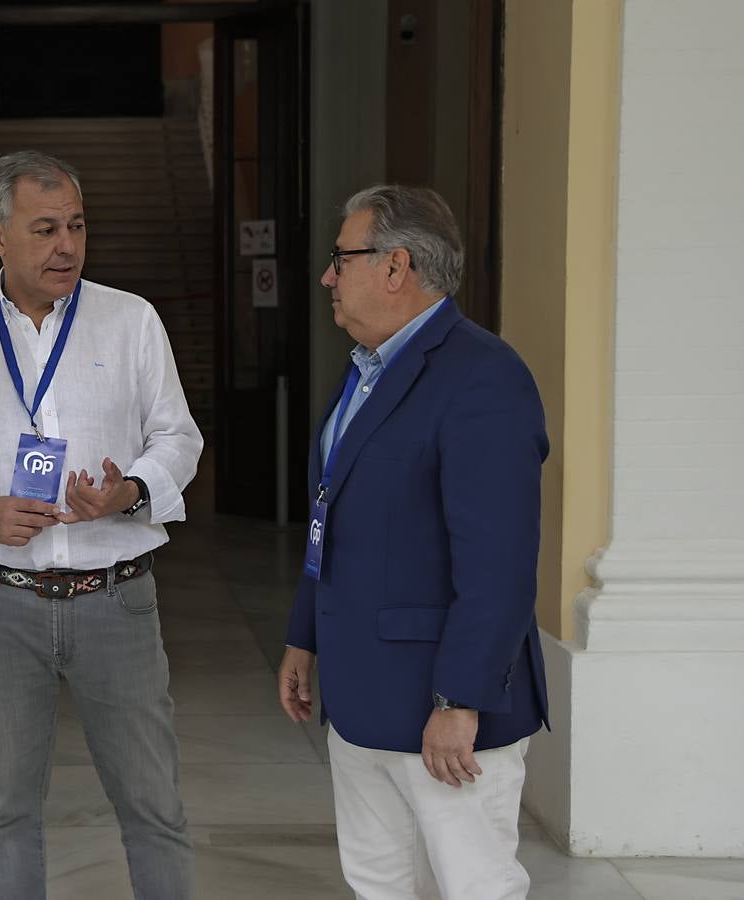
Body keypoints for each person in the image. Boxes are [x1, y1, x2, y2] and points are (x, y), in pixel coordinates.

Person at [0, 150, 202, 900]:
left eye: (75, 225)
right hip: (0, 604)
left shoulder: (131, 321)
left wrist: (128, 491)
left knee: (152, 804)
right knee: (6, 810)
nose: (66, 245)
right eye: (44, 229)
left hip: (116, 599)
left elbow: (179, 438)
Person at [278, 184, 550, 899]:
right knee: (378, 881)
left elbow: (499, 563)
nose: (328, 277)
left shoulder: (483, 378)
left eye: (341, 259)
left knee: (473, 885)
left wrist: (459, 699)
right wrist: (304, 636)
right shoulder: (366, 371)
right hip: (360, 692)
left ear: (395, 267)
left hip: (441, 708)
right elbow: (329, 517)